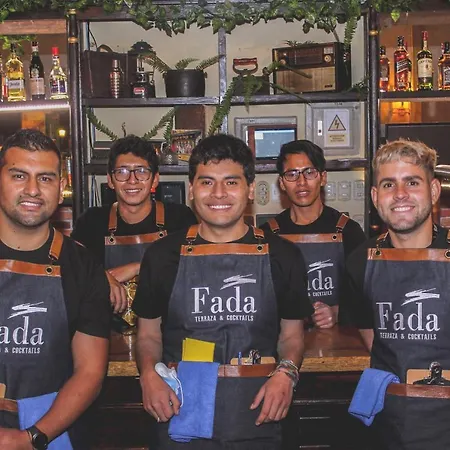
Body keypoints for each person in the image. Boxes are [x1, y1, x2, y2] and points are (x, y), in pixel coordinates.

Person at [133, 134, 313, 449]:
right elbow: (148, 335)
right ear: (192, 189)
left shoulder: (284, 256)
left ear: (250, 189)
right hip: (180, 414)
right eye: (207, 182)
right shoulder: (161, 256)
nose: (218, 193)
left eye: (231, 182)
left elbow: (291, 336)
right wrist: (148, 375)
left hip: (260, 414)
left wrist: (287, 374)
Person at [0, 129, 111, 449]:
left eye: (46, 178)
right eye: (19, 175)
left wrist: (31, 437)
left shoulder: (83, 266)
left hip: (49, 431)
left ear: (61, 188)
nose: (32, 190)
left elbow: (90, 372)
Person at [345, 139, 450, 449]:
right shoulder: (359, 261)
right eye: (389, 184)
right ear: (375, 197)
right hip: (390, 422)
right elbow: (371, 335)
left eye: (412, 182)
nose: (400, 194)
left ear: (434, 191)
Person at [72, 135, 197, 326]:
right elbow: (71, 268)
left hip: (166, 329)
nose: (132, 180)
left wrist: (137, 267)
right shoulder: (91, 221)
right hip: (104, 331)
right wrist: (101, 276)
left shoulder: (179, 218)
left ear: (155, 180)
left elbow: (193, 270)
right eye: (122, 172)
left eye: (141, 171)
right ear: (110, 180)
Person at [262, 140, 366, 328]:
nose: (301, 182)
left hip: (339, 340)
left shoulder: (348, 231)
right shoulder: (266, 235)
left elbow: (367, 296)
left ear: (323, 178)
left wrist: (336, 312)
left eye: (309, 172)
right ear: (282, 183)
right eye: (292, 174)